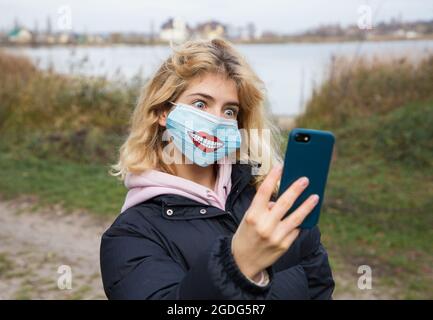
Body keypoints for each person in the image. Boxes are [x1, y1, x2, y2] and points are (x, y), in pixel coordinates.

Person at [100, 38, 334, 299]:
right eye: (201, 104)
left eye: (230, 111)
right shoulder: (131, 235)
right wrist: (238, 266)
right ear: (163, 112)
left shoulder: (270, 198)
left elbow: (319, 287)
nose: (215, 120)